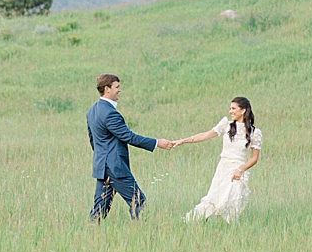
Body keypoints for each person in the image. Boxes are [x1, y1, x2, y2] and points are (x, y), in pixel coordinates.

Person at [87, 73, 174, 221]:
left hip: (102, 167)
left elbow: (93, 140)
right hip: (115, 167)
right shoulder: (109, 113)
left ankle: (89, 234)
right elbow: (128, 136)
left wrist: (103, 160)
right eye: (117, 87)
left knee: (99, 210)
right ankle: (138, 233)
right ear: (107, 89)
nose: (119, 90)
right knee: (138, 201)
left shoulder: (92, 110)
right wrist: (156, 142)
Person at [173, 96, 261, 224]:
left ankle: (229, 232)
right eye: (230, 108)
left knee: (231, 204)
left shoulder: (254, 132)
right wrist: (182, 141)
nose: (230, 111)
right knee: (213, 199)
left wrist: (240, 170)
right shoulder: (226, 125)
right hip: (223, 168)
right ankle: (191, 222)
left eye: (233, 108)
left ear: (243, 110)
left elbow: (254, 158)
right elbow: (204, 135)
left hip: (237, 172)